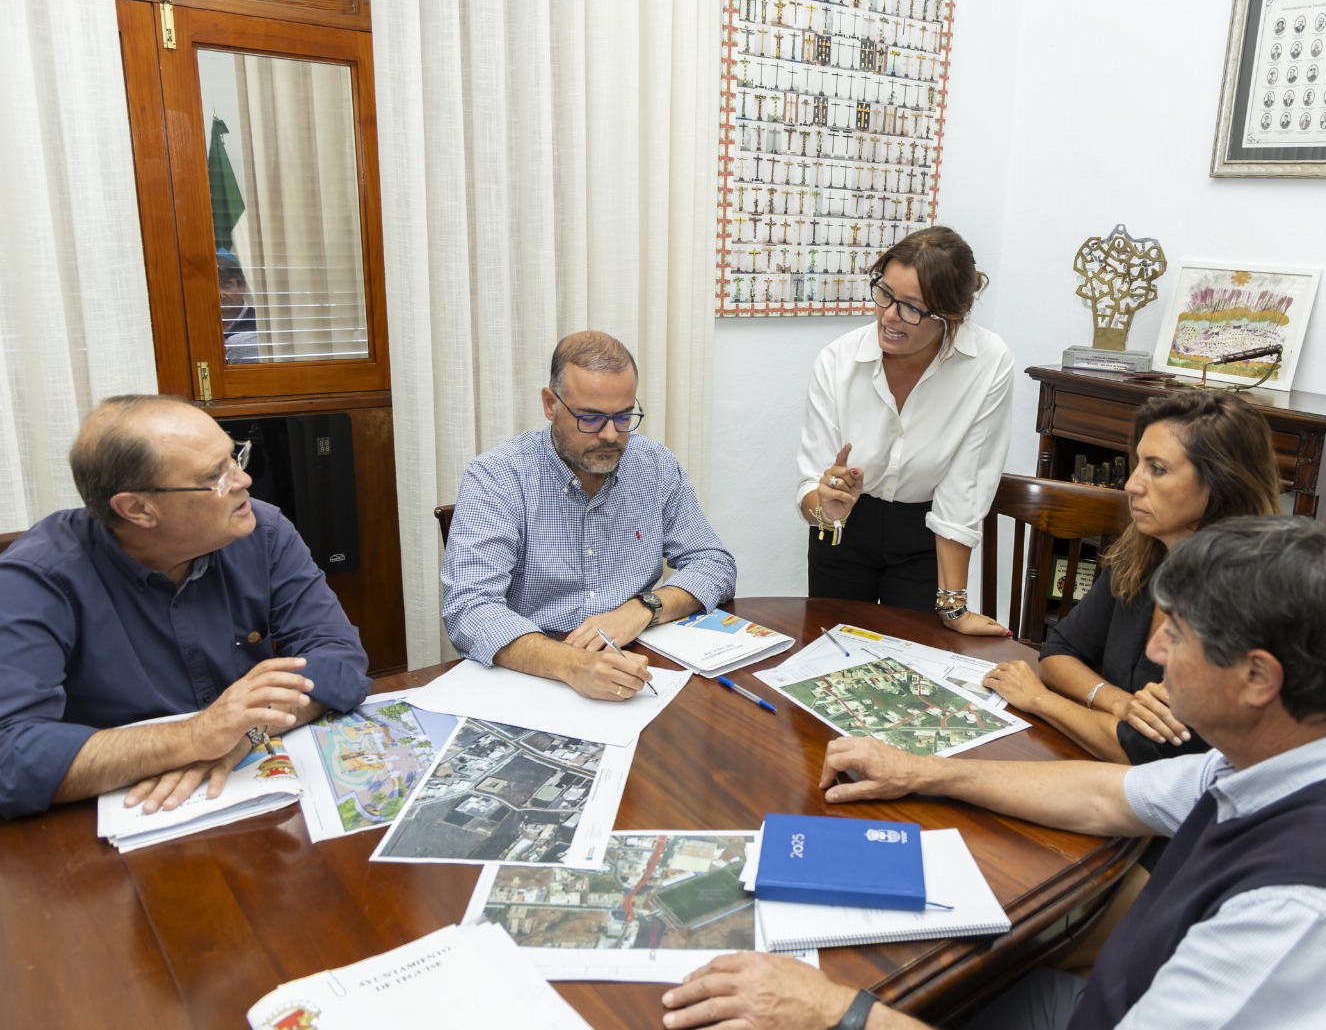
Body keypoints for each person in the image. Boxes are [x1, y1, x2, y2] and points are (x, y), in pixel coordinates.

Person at [661, 517, 1326, 1030]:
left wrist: (835, 1014)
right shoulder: (1291, 756)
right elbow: (1108, 791)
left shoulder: (1311, 911)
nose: (1154, 654)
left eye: (1178, 635)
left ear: (1259, 678)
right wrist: (921, 768)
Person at [0, 395, 370, 819]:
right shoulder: (36, 578)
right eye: (216, 476)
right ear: (137, 509)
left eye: (236, 458)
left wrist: (244, 731)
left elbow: (339, 659)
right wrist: (194, 736)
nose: (244, 480)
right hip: (120, 820)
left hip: (249, 792)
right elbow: (10, 755)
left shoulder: (263, 531)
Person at [982, 391, 1280, 766]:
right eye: (1138, 464)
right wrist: (1121, 703)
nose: (1131, 485)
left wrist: (1039, 699)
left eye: (1157, 469)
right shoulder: (1147, 553)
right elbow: (1060, 653)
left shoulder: (1245, 595)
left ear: (1220, 483)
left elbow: (1148, 753)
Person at [442, 331, 736, 701]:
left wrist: (644, 607)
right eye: (591, 418)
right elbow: (469, 609)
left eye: (624, 416)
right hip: (537, 674)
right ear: (551, 404)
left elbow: (714, 563)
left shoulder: (654, 464)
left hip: (638, 666)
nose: (611, 435)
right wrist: (571, 663)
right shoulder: (498, 476)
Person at [795, 226, 1013, 636]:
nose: (890, 316)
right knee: (830, 656)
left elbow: (963, 488)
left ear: (952, 313)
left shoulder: (987, 363)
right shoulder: (837, 361)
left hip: (925, 534)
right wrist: (827, 507)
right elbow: (812, 484)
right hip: (843, 529)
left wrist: (954, 609)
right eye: (885, 294)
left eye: (912, 307)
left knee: (916, 663)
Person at [218, 248, 261, 364]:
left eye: (226, 287)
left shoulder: (260, 324)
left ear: (242, 286)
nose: (220, 294)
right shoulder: (199, 325)